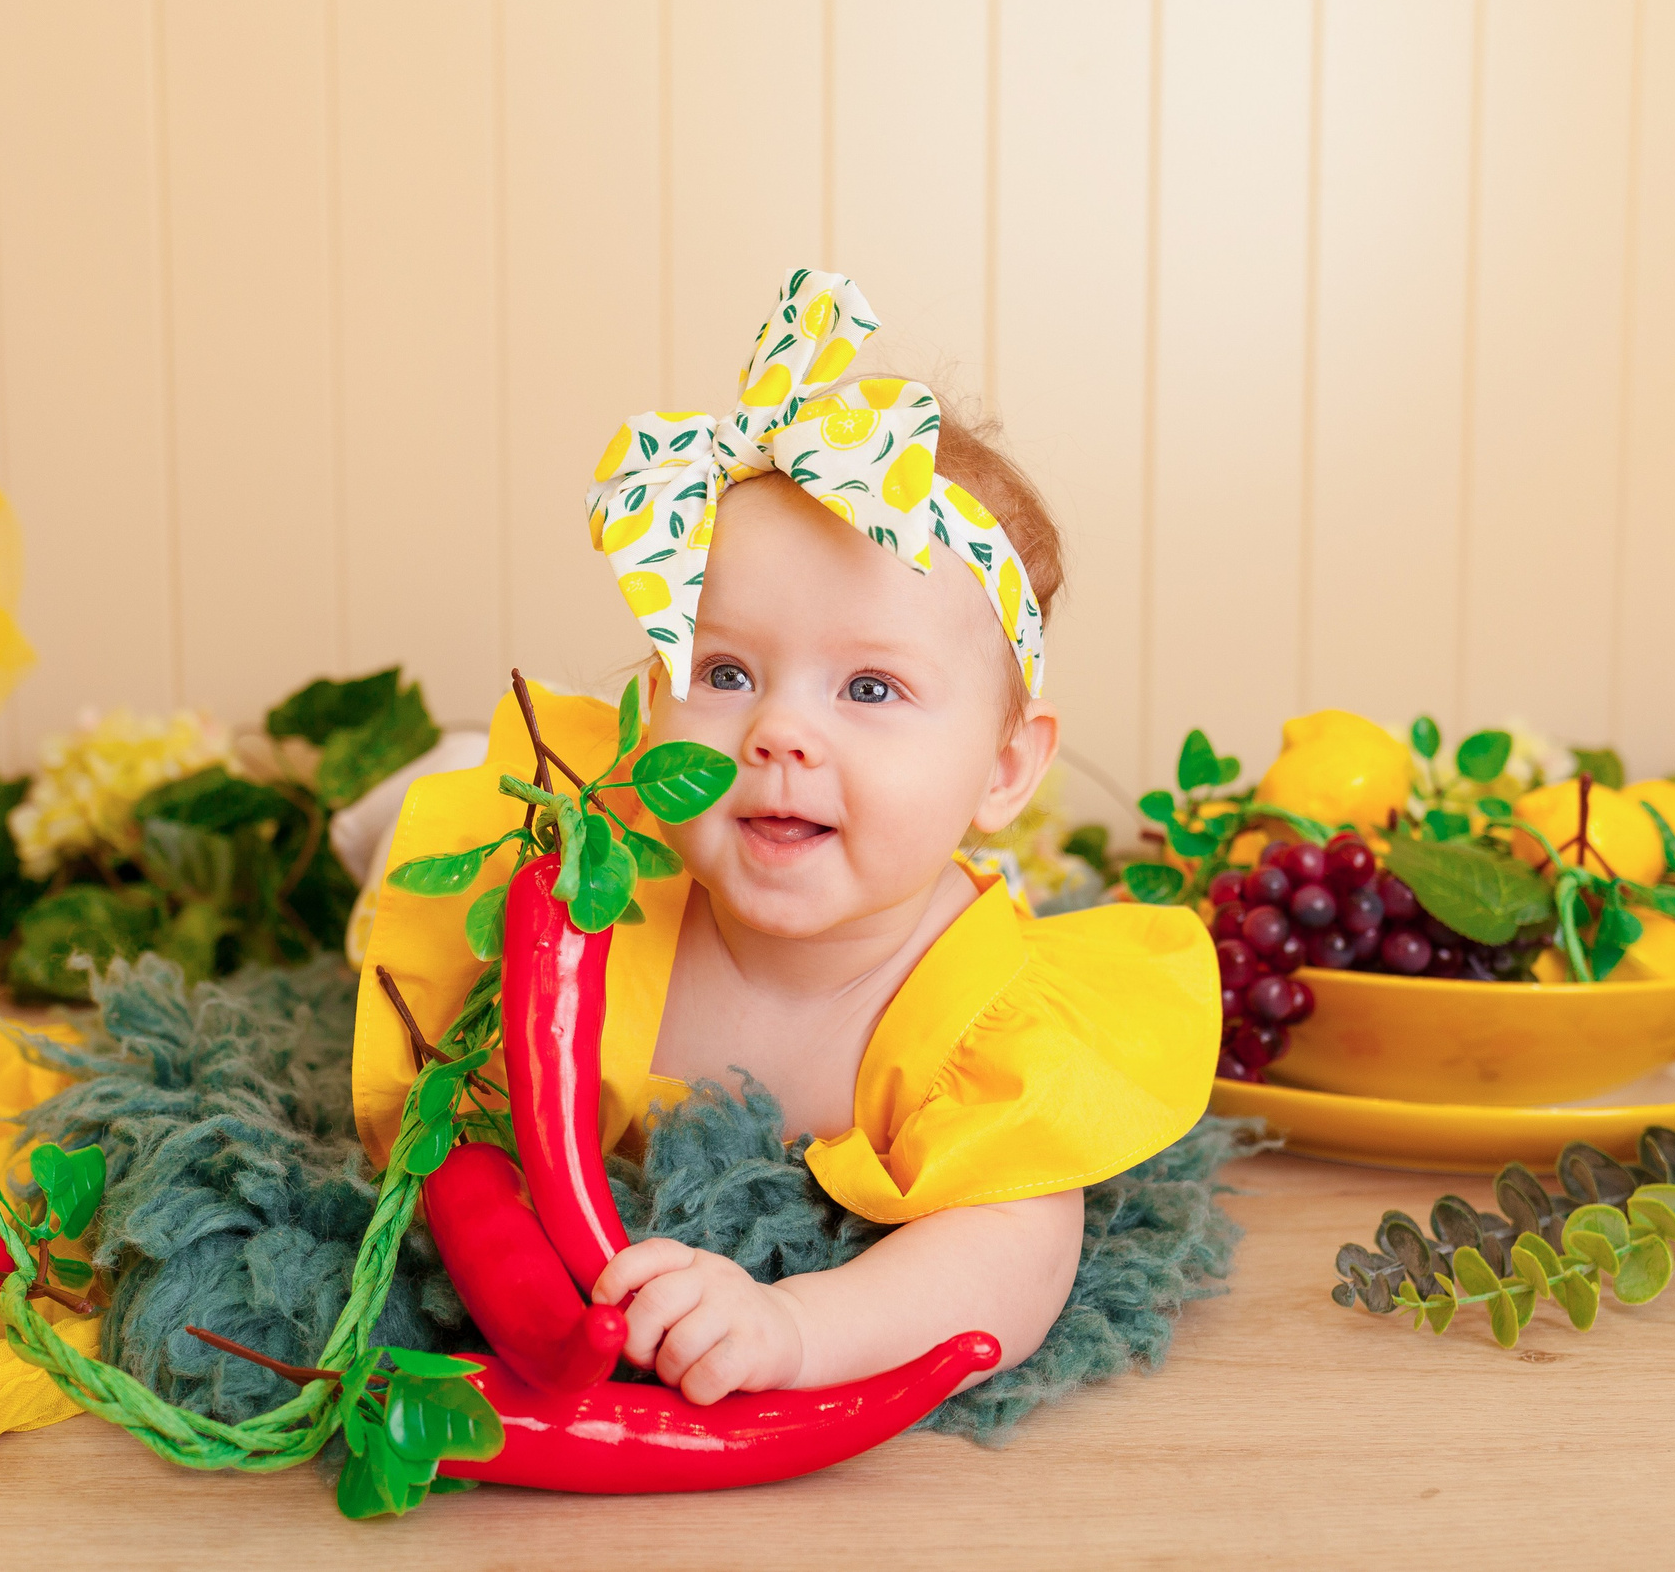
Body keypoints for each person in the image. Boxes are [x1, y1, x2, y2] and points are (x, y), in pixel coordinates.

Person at [353, 271, 1220, 1406]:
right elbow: (455, 1104)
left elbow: (1012, 1257)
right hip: (530, 825)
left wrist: (798, 1325)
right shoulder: (586, 893)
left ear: (1002, 769)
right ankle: (369, 819)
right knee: (402, 856)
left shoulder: (976, 1018)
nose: (777, 733)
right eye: (723, 672)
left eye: (868, 686)